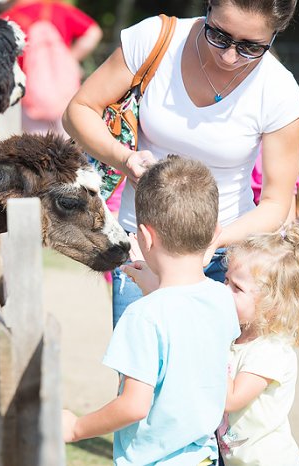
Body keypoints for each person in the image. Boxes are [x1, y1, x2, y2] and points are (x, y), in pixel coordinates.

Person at [63, 0, 299, 327]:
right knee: (140, 373)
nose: (229, 56)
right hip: (143, 247)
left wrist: (216, 239)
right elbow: (79, 109)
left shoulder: (279, 91)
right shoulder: (155, 40)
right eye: (218, 35)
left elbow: (277, 202)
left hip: (227, 260)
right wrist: (125, 159)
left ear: (275, 35)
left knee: (211, 376)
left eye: (250, 47)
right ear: (208, 8)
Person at [62, 155, 240, 465]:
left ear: (143, 237)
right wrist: (156, 290)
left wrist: (77, 428)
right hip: (203, 457)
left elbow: (134, 406)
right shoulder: (222, 298)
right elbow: (187, 326)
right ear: (214, 234)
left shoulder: (143, 316)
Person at [217, 223, 299, 465]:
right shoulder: (236, 336)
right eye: (226, 280)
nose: (223, 291)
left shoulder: (269, 350)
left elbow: (231, 398)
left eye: (237, 288)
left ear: (273, 303)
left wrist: (209, 342)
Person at [0, 0, 102, 136]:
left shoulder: (8, 19)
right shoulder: (57, 8)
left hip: (31, 94)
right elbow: (94, 32)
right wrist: (71, 58)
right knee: (70, 143)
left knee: (37, 146)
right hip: (65, 90)